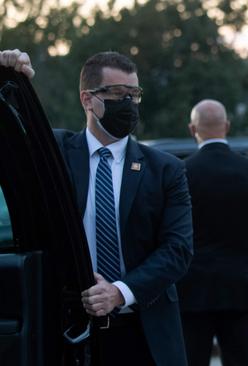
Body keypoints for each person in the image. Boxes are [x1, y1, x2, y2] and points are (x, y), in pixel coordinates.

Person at [0, 49, 193, 365]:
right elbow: (12, 140)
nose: (129, 104)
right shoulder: (56, 152)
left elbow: (178, 249)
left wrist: (119, 291)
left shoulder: (165, 169)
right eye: (118, 94)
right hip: (68, 330)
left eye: (135, 95)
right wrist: (13, 80)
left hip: (143, 332)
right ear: (88, 99)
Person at [177, 99, 248, 366]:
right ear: (227, 126)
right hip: (241, 285)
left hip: (192, 287)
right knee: (241, 359)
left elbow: (173, 233)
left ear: (191, 128)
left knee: (192, 359)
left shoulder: (180, 172)